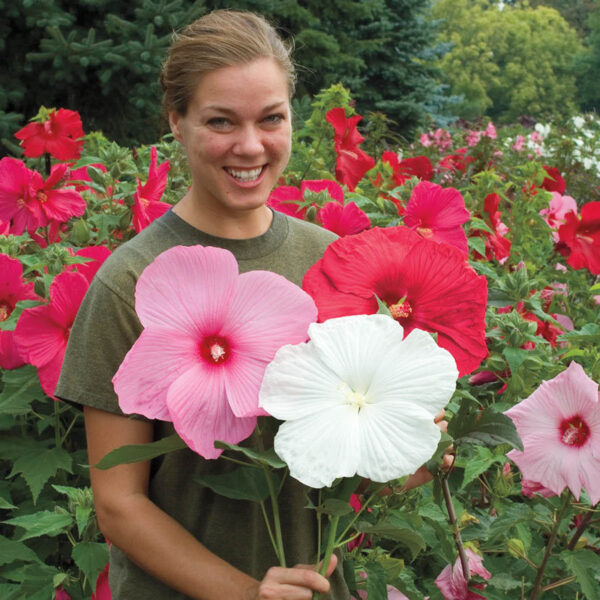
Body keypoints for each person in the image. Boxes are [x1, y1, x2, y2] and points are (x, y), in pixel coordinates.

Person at [56, 9, 348, 600]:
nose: (250, 146)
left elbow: (349, 448)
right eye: (220, 121)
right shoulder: (130, 281)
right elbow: (118, 501)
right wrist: (246, 594)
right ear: (177, 123)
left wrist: (417, 451)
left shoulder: (331, 260)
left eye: (271, 119)